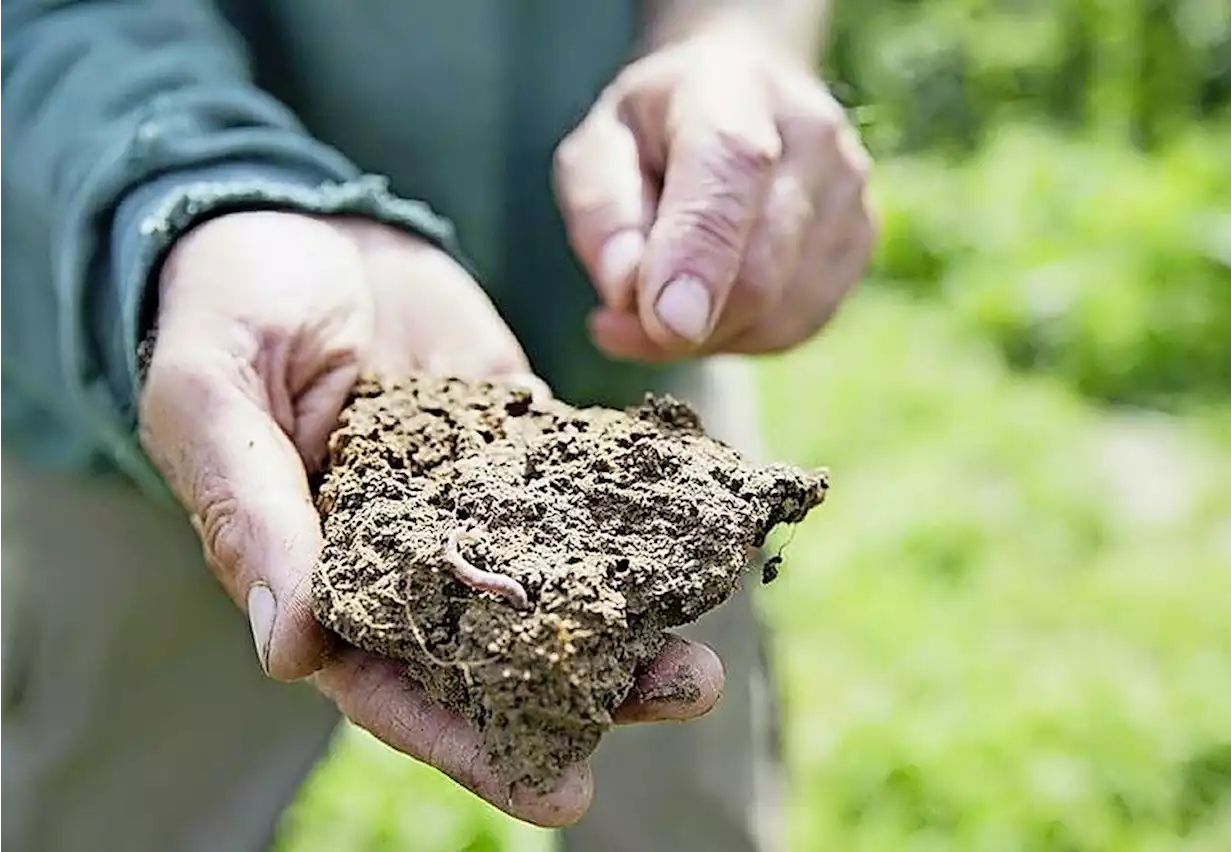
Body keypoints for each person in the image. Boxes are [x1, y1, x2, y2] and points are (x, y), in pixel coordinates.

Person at [0, 1, 874, 850]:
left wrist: (734, 39)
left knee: (684, 808)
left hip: (631, 388)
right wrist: (196, 194)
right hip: (161, 358)